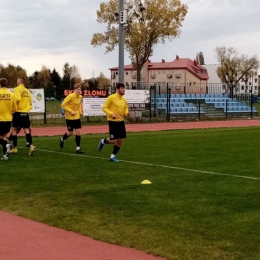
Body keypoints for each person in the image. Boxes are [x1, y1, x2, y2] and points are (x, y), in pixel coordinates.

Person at [98, 82, 129, 162]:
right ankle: (103, 141)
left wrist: (127, 113)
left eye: (124, 88)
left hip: (121, 122)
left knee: (120, 140)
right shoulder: (111, 98)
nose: (124, 90)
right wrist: (111, 114)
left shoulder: (124, 99)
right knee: (113, 140)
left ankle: (112, 157)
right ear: (118, 89)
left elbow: (125, 109)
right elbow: (104, 108)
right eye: (122, 88)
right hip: (113, 122)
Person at [10, 76, 35, 155]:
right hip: (25, 113)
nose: (17, 82)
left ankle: (15, 148)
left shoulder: (17, 89)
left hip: (18, 112)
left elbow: (17, 99)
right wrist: (26, 109)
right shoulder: (27, 91)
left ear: (19, 82)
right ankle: (31, 146)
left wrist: (13, 108)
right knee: (26, 130)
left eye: (17, 80)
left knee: (14, 130)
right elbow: (31, 103)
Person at [59, 84, 84, 153]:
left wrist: (80, 112)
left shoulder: (80, 97)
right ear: (74, 90)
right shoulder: (70, 96)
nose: (79, 91)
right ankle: (62, 139)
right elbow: (63, 105)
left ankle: (78, 148)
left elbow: (79, 105)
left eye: (80, 89)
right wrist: (70, 111)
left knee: (78, 132)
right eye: (78, 89)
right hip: (69, 118)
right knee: (70, 133)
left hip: (77, 117)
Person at [0, 78, 16, 160]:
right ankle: (5, 155)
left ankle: (7, 144)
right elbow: (14, 108)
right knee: (4, 137)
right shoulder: (11, 94)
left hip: (0, 118)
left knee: (1, 139)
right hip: (8, 119)